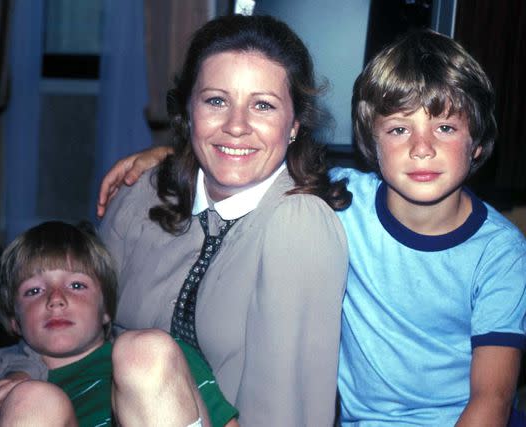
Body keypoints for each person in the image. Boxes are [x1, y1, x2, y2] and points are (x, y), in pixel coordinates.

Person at [98, 29, 526, 426]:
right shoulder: (344, 201)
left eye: (445, 128)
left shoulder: (500, 252)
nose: (422, 148)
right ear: (371, 143)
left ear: (476, 143)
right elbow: (242, 159)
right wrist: (163, 158)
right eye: (399, 129)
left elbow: (491, 398)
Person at [99, 13, 351, 426]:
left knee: (143, 356)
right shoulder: (139, 192)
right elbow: (77, 330)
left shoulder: (298, 225)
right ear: (188, 111)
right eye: (216, 101)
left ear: (295, 125)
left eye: (263, 105)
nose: (236, 126)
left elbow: (285, 411)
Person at [0, 221, 238, 427]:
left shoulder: (161, 357)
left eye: (77, 286)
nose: (56, 300)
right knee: (29, 400)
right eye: (34, 291)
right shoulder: (7, 391)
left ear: (106, 309)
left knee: (145, 350)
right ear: (13, 321)